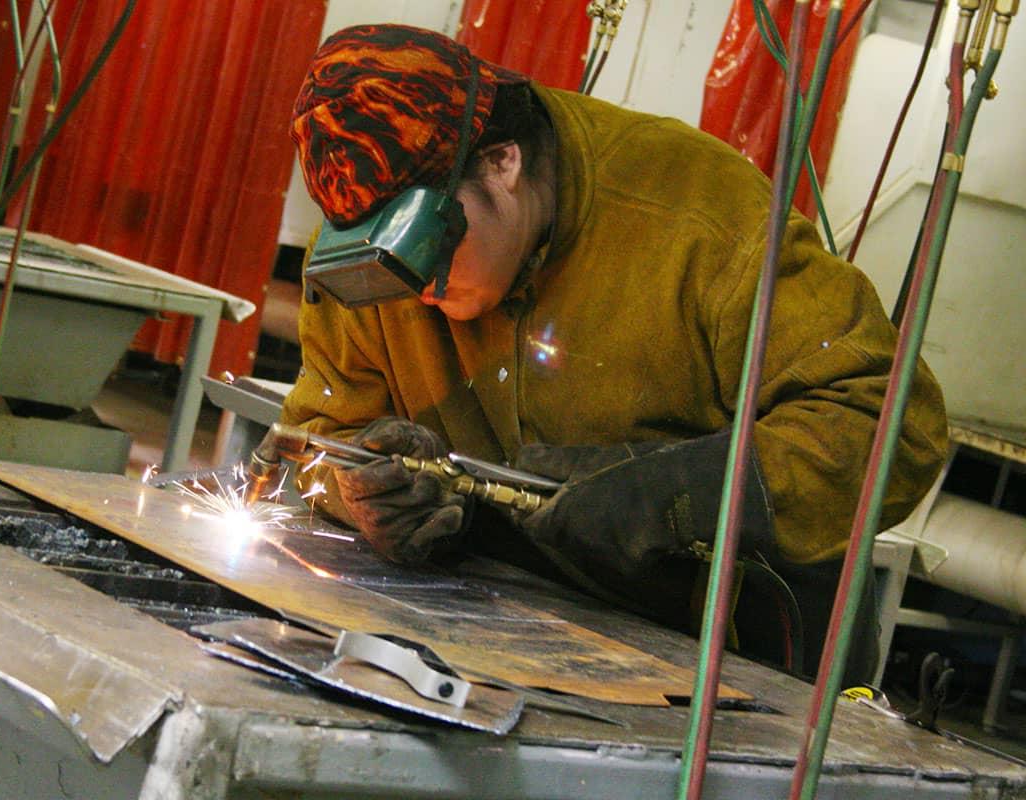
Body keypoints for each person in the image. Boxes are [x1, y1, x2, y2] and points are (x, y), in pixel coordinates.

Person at [279, 23, 948, 681]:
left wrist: (679, 491)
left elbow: (894, 426)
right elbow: (317, 438)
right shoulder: (366, 256)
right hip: (509, 627)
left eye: (429, 244)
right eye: (387, 261)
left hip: (731, 658)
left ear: (501, 162)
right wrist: (362, 495)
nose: (417, 286)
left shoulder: (694, 218)